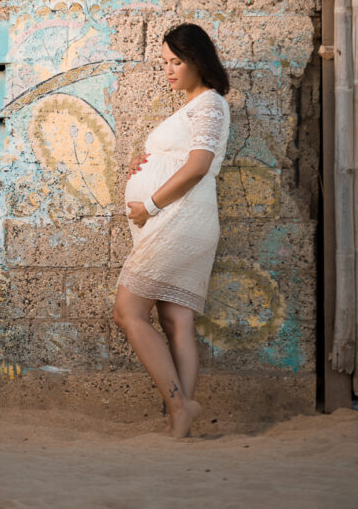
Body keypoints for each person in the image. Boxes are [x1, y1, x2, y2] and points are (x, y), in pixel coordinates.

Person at [112, 22, 230, 440]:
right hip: (175, 218)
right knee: (176, 317)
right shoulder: (193, 106)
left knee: (128, 312)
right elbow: (178, 156)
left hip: (178, 218)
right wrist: (146, 166)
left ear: (198, 60)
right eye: (164, 62)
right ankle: (179, 421)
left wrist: (150, 204)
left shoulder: (209, 105)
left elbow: (198, 165)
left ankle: (180, 405)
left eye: (176, 62)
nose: (168, 70)